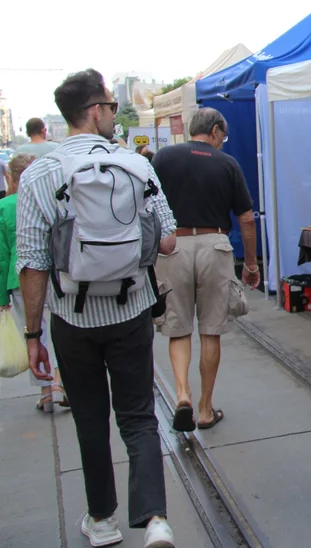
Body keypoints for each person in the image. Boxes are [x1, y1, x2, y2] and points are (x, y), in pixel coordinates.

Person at [16, 69, 177, 548]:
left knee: (90, 417)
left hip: (72, 319)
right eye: (109, 105)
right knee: (139, 416)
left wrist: (32, 334)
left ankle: (102, 521)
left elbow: (32, 262)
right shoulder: (137, 166)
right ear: (94, 111)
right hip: (130, 310)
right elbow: (168, 241)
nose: (112, 112)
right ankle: (155, 521)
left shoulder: (39, 176)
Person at [152, 108, 258, 432]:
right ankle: (205, 409)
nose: (223, 143)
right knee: (211, 329)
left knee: (178, 328)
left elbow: (146, 207)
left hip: (173, 245)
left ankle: (182, 393)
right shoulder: (227, 164)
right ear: (214, 131)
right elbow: (247, 219)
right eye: (223, 137)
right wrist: (251, 264)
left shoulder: (162, 158)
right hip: (215, 244)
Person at [0, 153, 67, 411]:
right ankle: (61, 381)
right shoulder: (48, 198)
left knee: (34, 333)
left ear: (12, 178)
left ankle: (46, 391)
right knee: (60, 327)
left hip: (19, 279)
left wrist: (2, 298)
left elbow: (3, 256)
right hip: (53, 271)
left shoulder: (5, 207)